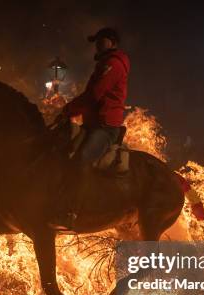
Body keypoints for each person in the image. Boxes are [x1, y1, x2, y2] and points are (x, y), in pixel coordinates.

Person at [49, 27, 130, 230]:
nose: (97, 45)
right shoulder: (105, 64)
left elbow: (94, 95)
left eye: (101, 41)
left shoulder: (113, 64)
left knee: (83, 158)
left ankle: (71, 211)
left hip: (105, 127)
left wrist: (68, 110)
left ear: (112, 42)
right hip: (93, 123)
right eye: (96, 41)